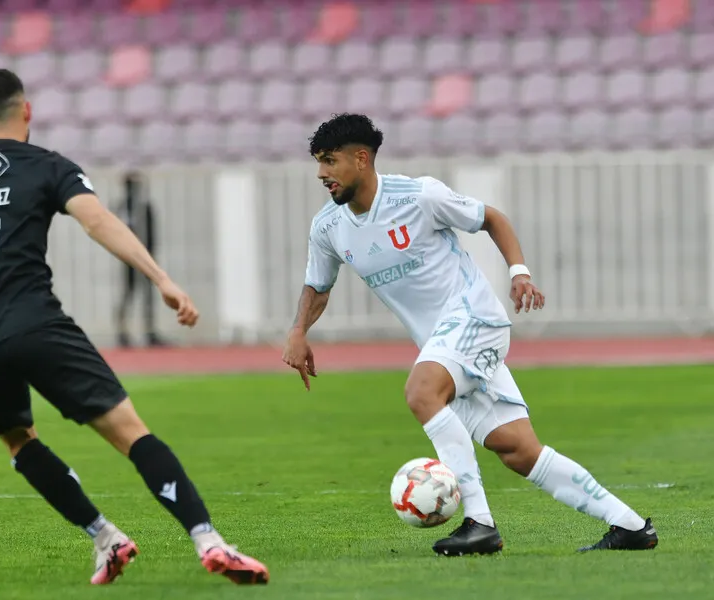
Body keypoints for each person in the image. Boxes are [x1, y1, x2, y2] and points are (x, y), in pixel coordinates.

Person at [0, 68, 269, 586]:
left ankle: (105, 538)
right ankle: (208, 541)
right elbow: (97, 220)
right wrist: (161, 279)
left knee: (20, 441)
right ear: (27, 110)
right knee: (130, 434)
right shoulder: (48, 167)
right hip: (36, 325)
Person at [281, 113, 658, 556]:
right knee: (518, 449)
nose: (321, 173)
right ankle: (630, 526)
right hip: (444, 344)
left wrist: (519, 273)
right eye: (318, 163)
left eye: (329, 161)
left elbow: (490, 218)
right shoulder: (328, 226)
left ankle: (479, 524)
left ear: (361, 159)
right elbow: (318, 285)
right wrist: (299, 330)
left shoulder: (419, 195)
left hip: (475, 319)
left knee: (422, 393)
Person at [112, 171, 166, 347]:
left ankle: (149, 331)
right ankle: (122, 331)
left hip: (145, 258)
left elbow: (152, 234)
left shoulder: (145, 207)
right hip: (128, 259)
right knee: (128, 293)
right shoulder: (121, 207)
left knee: (148, 294)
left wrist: (149, 258)